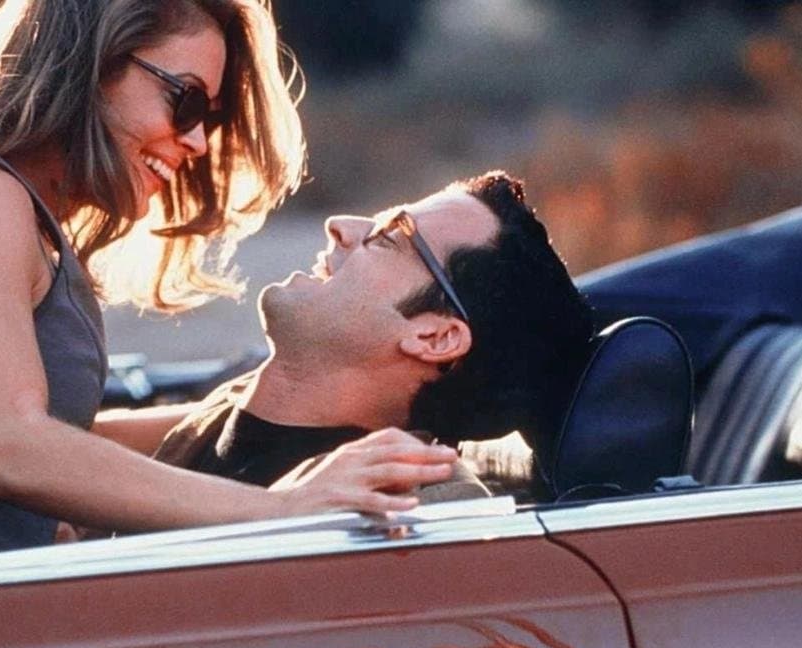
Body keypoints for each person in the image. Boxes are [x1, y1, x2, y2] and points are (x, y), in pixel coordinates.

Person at [0, 0, 456, 566]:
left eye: (209, 118)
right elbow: (10, 448)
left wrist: (326, 416)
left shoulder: (25, 217)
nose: (198, 142)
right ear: (92, 64)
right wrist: (283, 510)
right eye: (186, 100)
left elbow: (72, 439)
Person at [151, 171, 596, 497]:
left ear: (434, 338)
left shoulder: (395, 510)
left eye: (387, 237)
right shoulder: (242, 405)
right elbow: (104, 461)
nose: (339, 226)